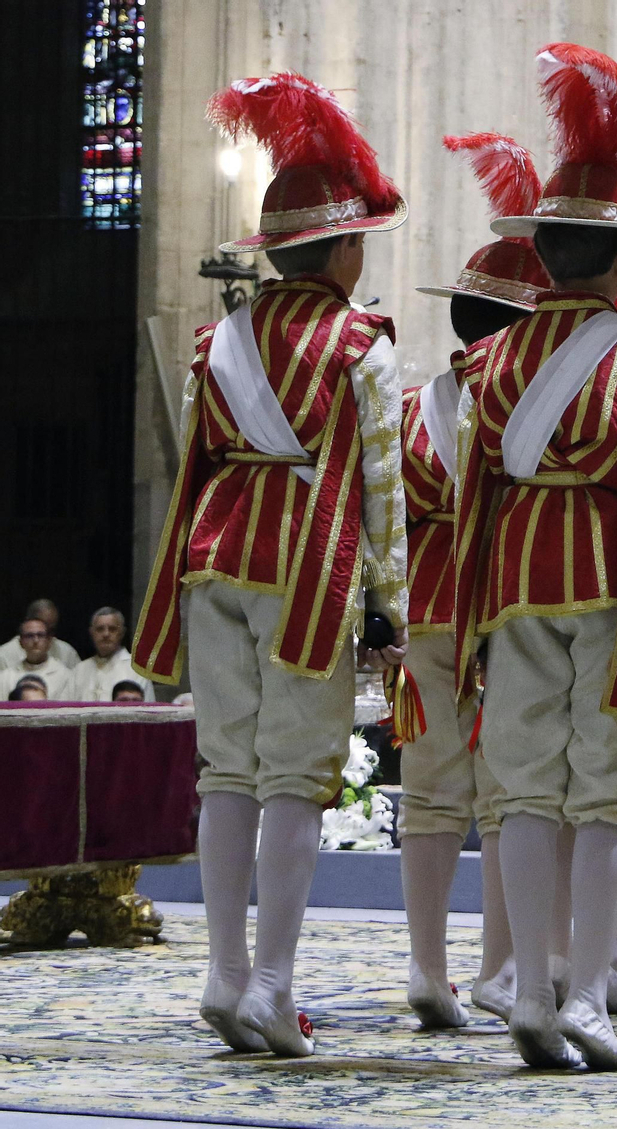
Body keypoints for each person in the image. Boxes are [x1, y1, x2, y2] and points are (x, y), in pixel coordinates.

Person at [130, 72, 410, 1058]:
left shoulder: (219, 343)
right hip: (307, 571)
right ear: (338, 249)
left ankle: (222, 970)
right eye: (358, 238)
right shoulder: (360, 344)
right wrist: (393, 608)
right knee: (295, 776)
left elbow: (196, 463)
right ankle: (272, 986)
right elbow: (384, 487)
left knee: (226, 772)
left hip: (213, 555)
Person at [454, 44, 617, 1073]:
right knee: (605, 792)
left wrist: (471, 614)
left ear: (543, 254)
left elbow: (475, 498)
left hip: (515, 587)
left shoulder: (488, 361)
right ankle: (585, 1001)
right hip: (616, 591)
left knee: (523, 789)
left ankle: (528, 986)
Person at [398, 131, 547, 1031]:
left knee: (426, 790)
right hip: (502, 605)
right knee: (510, 789)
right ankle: (498, 967)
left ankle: (425, 966)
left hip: (425, 604)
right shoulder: (526, 400)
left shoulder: (417, 400)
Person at [64, 608, 152, 702]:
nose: (106, 634)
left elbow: (148, 711)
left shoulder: (137, 670)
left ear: (122, 633)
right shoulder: (79, 671)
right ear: (91, 633)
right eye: (100, 629)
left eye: (112, 629)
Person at [1, 618, 74, 698]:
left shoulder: (65, 676)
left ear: (49, 641)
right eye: (29, 636)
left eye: (41, 635)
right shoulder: (6, 677)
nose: (35, 640)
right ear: (21, 642)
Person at [0, 600, 80, 670]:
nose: (47, 636)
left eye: (51, 630)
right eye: (41, 631)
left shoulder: (67, 652)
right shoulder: (4, 655)